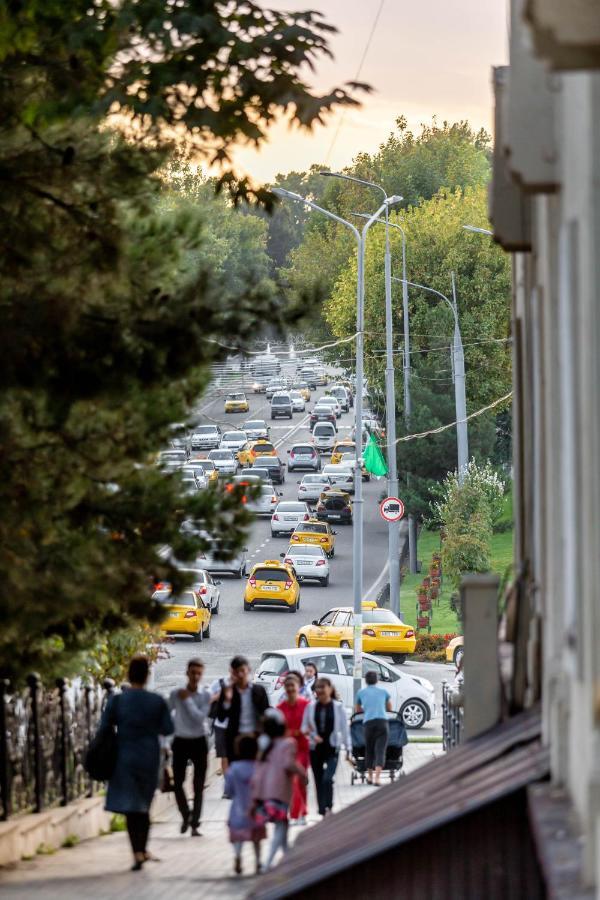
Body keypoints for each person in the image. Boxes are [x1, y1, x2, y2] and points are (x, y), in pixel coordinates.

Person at [100, 656, 174, 870]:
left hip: (124, 757)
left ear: (128, 675)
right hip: (149, 758)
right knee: (144, 805)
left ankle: (137, 853)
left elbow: (105, 725)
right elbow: (168, 729)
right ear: (147, 675)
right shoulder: (157, 700)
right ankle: (143, 849)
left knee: (132, 808)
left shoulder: (117, 700)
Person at [251, 710, 307, 870]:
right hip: (280, 791)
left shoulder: (265, 746)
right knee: (281, 826)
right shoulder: (288, 743)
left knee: (282, 824)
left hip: (263, 792)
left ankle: (288, 857)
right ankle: (268, 863)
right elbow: (288, 764)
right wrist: (302, 773)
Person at [168, 658, 210, 836]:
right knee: (177, 783)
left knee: (198, 785)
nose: (195, 676)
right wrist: (165, 740)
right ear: (187, 673)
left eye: (199, 673)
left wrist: (187, 701)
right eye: (193, 672)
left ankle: (195, 824)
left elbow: (200, 718)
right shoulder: (176, 693)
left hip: (199, 740)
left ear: (202, 675)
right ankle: (186, 815)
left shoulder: (205, 695)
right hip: (181, 740)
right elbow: (166, 713)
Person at [302, 677, 351, 817]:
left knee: (327, 778)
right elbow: (304, 727)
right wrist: (312, 735)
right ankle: (322, 810)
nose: (320, 690)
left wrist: (348, 749)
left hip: (332, 747)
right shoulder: (311, 707)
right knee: (318, 780)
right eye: (318, 688)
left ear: (330, 688)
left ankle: (329, 806)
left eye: (323, 687)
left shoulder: (338, 707)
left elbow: (345, 729)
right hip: (315, 748)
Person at [214, 655, 270, 762]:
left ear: (248, 670)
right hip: (235, 739)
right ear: (232, 673)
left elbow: (265, 714)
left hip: (255, 738)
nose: (240, 675)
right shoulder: (228, 691)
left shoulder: (259, 690)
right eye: (236, 672)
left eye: (242, 671)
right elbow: (221, 717)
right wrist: (227, 701)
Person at [224, 735, 266, 875]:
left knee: (238, 838)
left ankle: (237, 857)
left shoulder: (233, 769)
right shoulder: (259, 768)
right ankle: (258, 862)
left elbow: (228, 790)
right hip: (256, 810)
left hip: (238, 809)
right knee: (256, 840)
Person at [277, 674, 310, 825]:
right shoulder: (280, 708)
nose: (290, 689)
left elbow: (310, 726)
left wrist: (301, 732)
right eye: (288, 686)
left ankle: (302, 813)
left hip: (303, 748)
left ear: (298, 688)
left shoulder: (306, 705)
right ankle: (296, 813)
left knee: (300, 780)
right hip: (287, 750)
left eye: (293, 686)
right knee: (292, 781)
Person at [355, 669, 393, 786]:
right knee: (380, 750)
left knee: (369, 750)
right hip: (382, 723)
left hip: (368, 723)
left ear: (366, 681)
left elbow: (358, 709)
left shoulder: (361, 693)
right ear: (377, 680)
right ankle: (377, 778)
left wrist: (367, 709)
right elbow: (390, 708)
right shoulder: (383, 692)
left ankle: (370, 777)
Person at [209, 674, 231, 777]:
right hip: (221, 726)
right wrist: (217, 696)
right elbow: (206, 701)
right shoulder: (218, 683)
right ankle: (228, 785)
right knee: (224, 757)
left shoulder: (245, 685)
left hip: (238, 725)